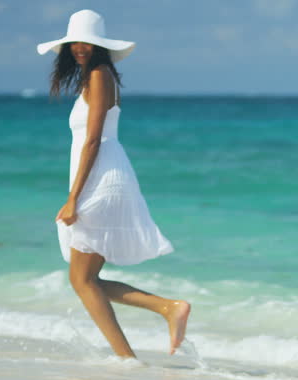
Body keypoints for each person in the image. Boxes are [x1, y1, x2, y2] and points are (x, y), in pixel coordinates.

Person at [38, 10, 189, 358]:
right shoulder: (93, 77)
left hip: (101, 181)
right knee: (85, 280)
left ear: (100, 46)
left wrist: (74, 198)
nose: (79, 47)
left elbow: (93, 141)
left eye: (86, 42)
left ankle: (130, 354)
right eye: (74, 42)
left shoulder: (99, 75)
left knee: (82, 280)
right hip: (99, 177)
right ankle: (168, 309)